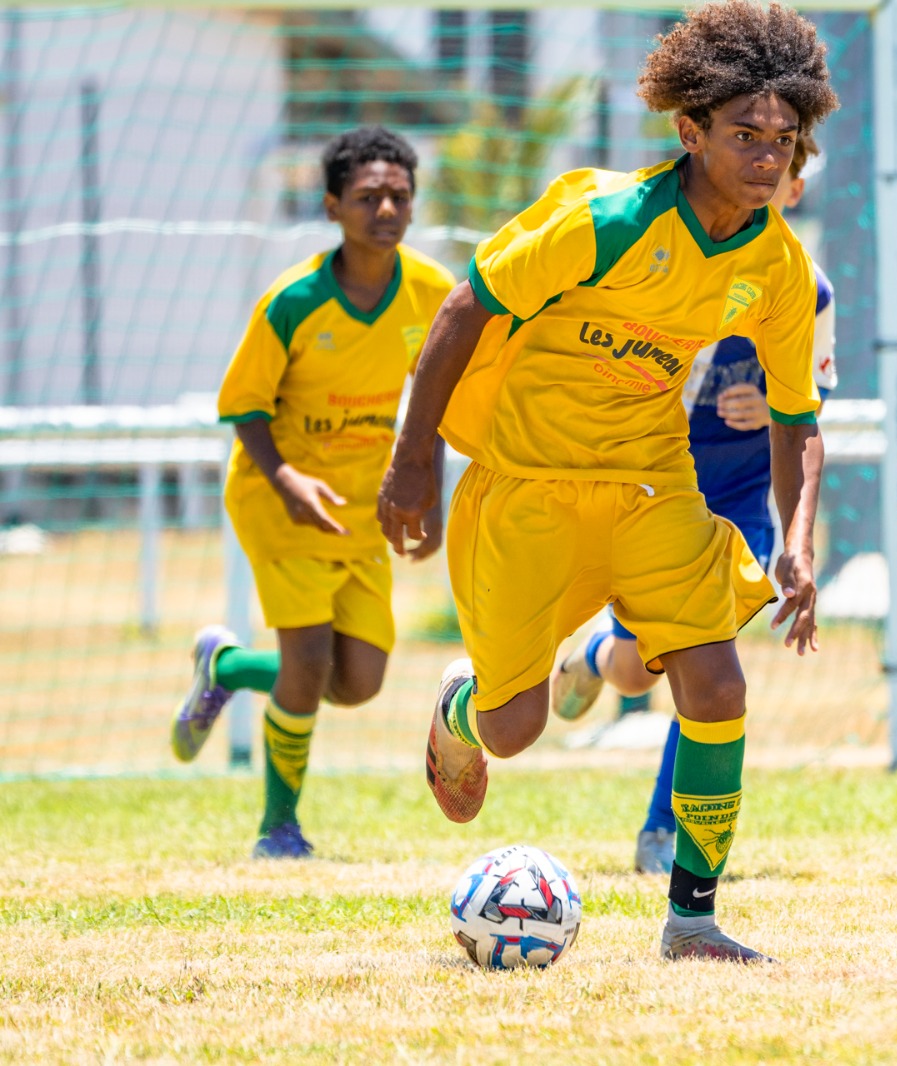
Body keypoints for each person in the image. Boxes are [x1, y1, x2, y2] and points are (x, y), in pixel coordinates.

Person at [376, 0, 837, 963]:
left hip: (651, 484)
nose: (766, 157)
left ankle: (693, 918)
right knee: (513, 728)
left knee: (716, 682)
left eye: (783, 140)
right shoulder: (606, 218)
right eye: (744, 135)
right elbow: (464, 308)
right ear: (690, 131)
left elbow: (799, 419)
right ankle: (460, 709)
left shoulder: (779, 268)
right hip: (525, 484)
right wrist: (413, 458)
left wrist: (796, 543)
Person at [549, 130, 837, 877]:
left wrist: (769, 407)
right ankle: (590, 659)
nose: (764, 178)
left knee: (708, 662)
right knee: (641, 669)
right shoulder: (665, 257)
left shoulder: (806, 288)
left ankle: (662, 831)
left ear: (796, 192)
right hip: (656, 486)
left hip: (738, 497)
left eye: (784, 173)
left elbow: (808, 407)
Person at [170, 126, 456, 858]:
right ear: (332, 206)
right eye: (367, 197)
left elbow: (448, 397)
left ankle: (227, 669)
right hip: (280, 499)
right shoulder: (293, 300)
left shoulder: (431, 294)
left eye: (398, 195)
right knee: (305, 666)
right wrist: (288, 477)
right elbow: (243, 405)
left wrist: (436, 496)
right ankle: (279, 828)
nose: (385, 208)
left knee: (357, 682)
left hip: (364, 507)